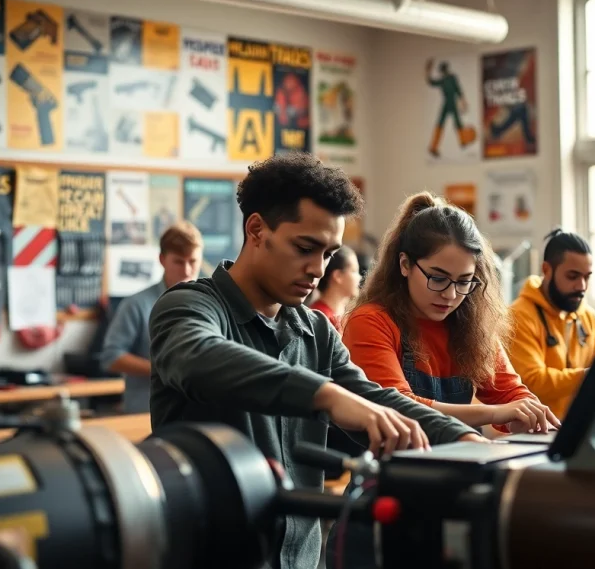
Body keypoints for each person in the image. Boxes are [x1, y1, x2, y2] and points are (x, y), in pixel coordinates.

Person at [148, 154, 483, 569]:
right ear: (257, 230)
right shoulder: (188, 306)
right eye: (305, 248)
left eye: (328, 254)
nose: (318, 269)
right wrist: (326, 395)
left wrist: (463, 440)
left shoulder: (316, 331)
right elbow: (198, 356)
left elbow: (376, 400)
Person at [342, 192, 561, 433]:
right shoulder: (371, 321)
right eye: (438, 278)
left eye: (464, 281)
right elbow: (397, 407)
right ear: (405, 265)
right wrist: (495, 413)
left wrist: (526, 415)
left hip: (456, 454)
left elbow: (510, 393)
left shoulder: (471, 325)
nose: (451, 294)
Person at [100, 220, 203, 413]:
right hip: (147, 414)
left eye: (193, 261)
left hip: (196, 413)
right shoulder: (136, 305)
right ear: (162, 260)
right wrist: (163, 369)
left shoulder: (210, 305)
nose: (187, 271)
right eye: (179, 262)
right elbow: (111, 357)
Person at [507, 228, 595, 419]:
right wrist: (589, 376)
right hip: (535, 428)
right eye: (573, 276)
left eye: (587, 277)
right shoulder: (518, 316)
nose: (581, 286)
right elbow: (532, 382)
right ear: (546, 270)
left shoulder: (589, 317)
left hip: (581, 424)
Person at [308, 244, 361, 332]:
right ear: (338, 276)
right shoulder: (319, 319)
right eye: (354, 271)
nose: (359, 277)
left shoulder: (343, 318)